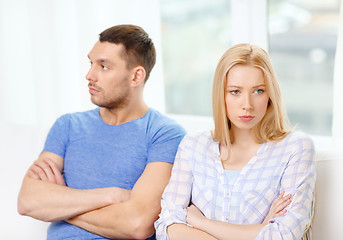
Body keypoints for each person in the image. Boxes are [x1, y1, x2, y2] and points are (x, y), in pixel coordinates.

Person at [17, 24, 186, 240]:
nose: (90, 75)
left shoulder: (164, 134)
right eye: (91, 63)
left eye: (104, 66)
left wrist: (62, 207)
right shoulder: (67, 125)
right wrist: (112, 195)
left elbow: (138, 224)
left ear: (136, 77)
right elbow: (28, 201)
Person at [155, 43, 316, 239]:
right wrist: (258, 230)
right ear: (220, 95)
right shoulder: (193, 146)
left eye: (258, 91)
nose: (247, 105)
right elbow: (167, 226)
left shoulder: (296, 148)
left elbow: (284, 234)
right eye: (235, 92)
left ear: (270, 95)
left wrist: (201, 223)